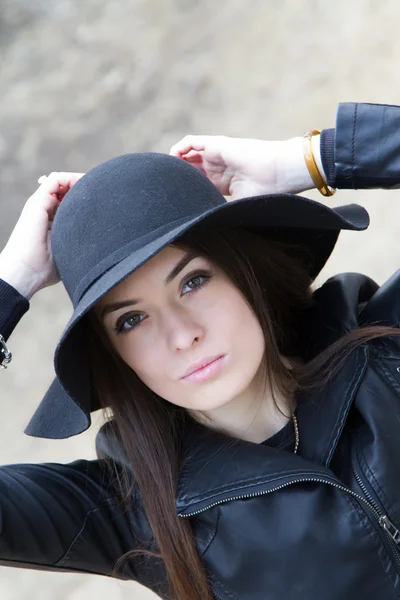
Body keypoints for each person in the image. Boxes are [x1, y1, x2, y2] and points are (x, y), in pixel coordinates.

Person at [0, 101, 399, 600]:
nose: (182, 334)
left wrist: (308, 160)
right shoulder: (137, 512)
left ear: (243, 272)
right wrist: (11, 281)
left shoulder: (385, 347)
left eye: (193, 282)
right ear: (112, 354)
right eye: (132, 319)